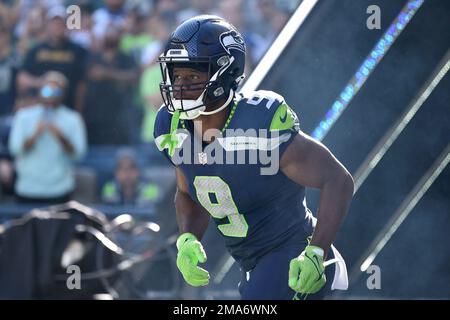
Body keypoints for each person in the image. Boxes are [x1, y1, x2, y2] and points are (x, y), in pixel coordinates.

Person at [153, 15, 354, 300]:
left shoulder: (258, 122)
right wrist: (188, 237)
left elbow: (338, 180)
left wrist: (316, 253)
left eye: (193, 76)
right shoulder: (171, 124)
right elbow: (187, 189)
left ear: (224, 73)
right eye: (176, 75)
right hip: (253, 265)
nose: (180, 85)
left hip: (295, 256)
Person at [8, 71, 87, 204]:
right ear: (40, 90)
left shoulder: (73, 119)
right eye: (47, 89)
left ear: (63, 94)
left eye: (56, 91)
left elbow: (79, 154)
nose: (50, 95)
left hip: (60, 190)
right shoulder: (23, 116)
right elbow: (15, 149)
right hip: (28, 189)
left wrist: (61, 137)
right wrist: (35, 134)